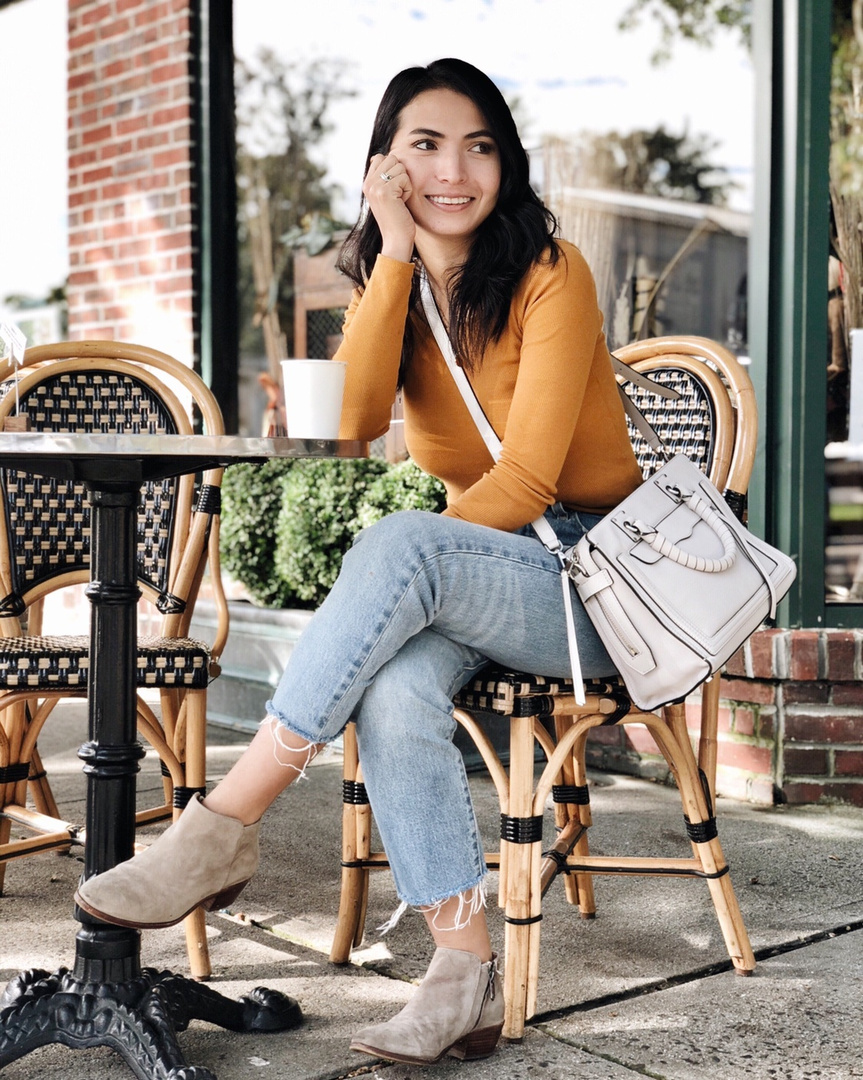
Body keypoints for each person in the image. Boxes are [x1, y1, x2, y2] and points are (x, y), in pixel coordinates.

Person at [75, 57, 643, 1066]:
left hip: (595, 588)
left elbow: (524, 484)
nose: (454, 171)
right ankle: (458, 976)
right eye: (423, 145)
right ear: (384, 165)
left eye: (478, 146)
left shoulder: (551, 274)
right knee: (388, 692)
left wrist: (417, 567)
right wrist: (395, 258)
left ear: (505, 163)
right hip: (494, 578)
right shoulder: (407, 281)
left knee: (401, 543)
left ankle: (222, 823)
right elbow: (351, 418)